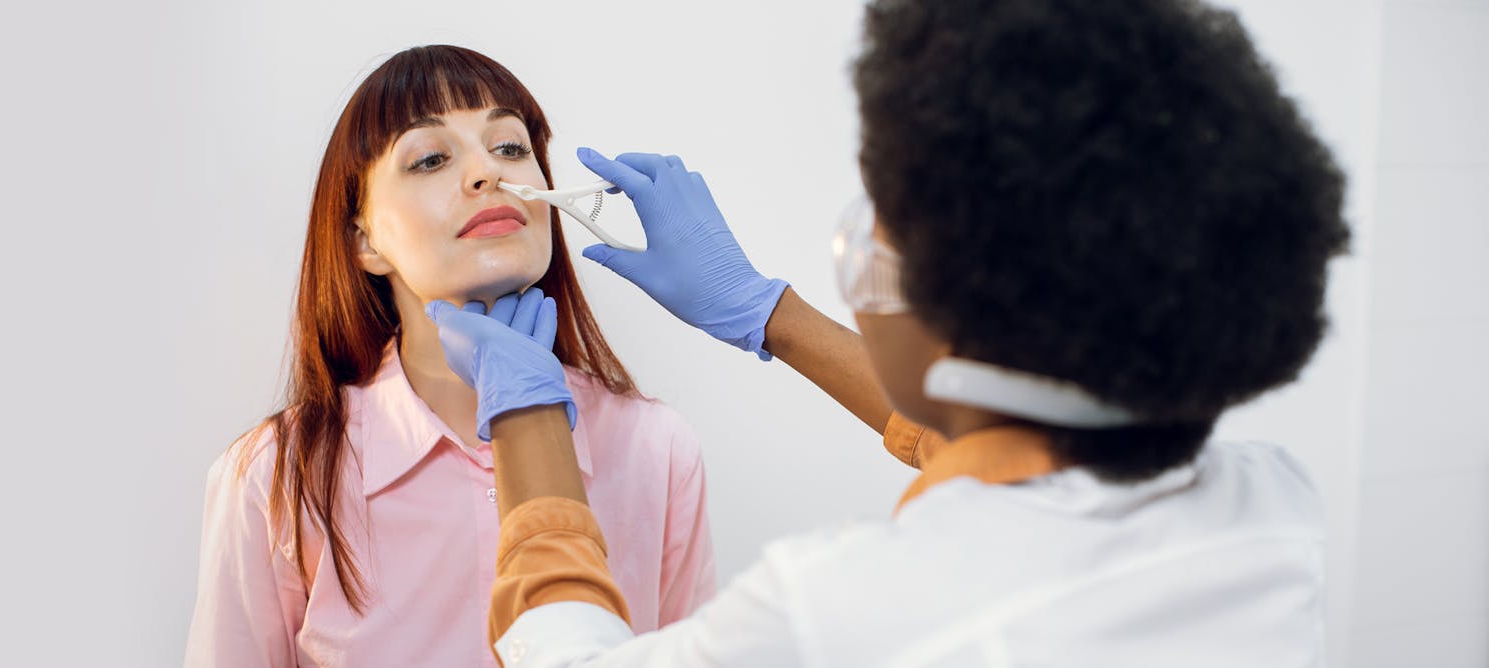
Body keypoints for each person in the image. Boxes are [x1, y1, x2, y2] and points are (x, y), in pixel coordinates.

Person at [425, 0, 1352, 665]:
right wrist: (765, 312)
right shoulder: (1274, 506)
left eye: (893, 226)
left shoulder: (841, 612)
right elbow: (1016, 445)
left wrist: (528, 419)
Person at [183, 45, 718, 667]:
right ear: (364, 241)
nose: (486, 173)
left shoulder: (655, 448)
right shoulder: (274, 478)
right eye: (431, 158)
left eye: (511, 148)